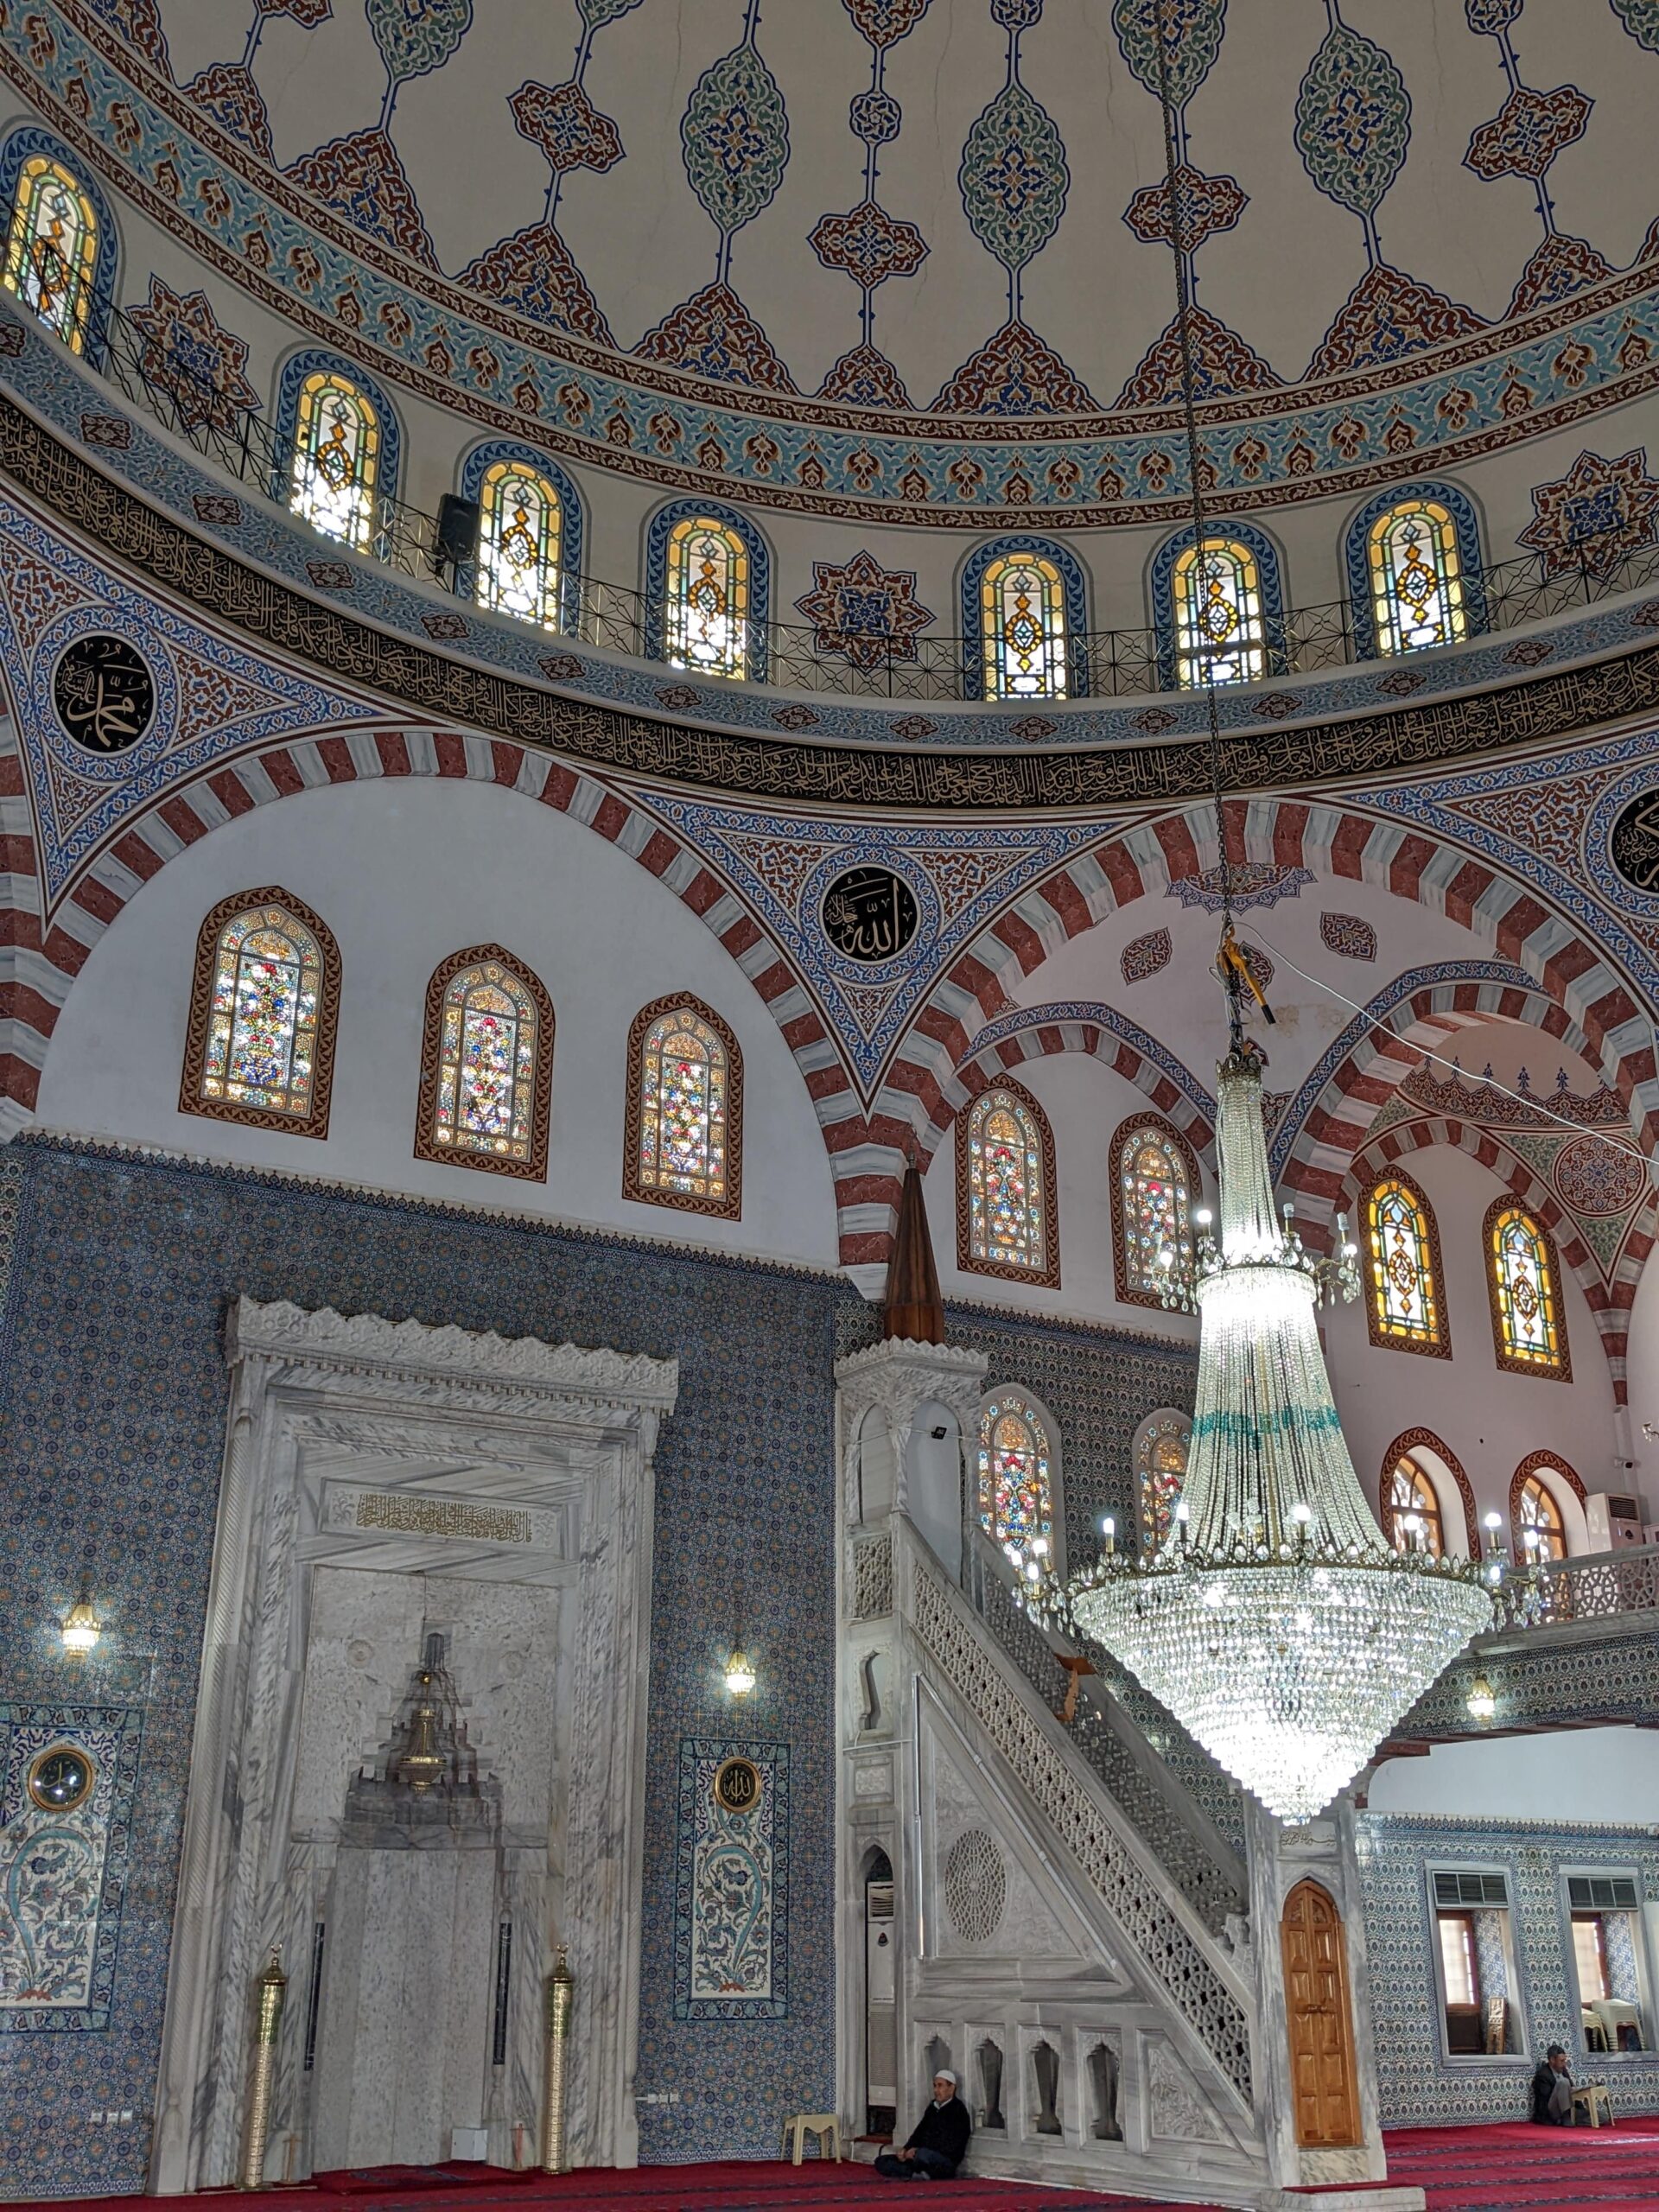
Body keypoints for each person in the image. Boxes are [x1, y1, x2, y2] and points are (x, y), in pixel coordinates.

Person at [874, 2070, 972, 2180]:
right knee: (881, 2161)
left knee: (923, 2155)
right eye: (935, 2086)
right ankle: (916, 2175)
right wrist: (906, 2149)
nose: (936, 2090)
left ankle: (916, 2173)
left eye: (940, 2086)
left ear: (951, 2088)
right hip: (921, 2156)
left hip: (943, 2161)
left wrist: (916, 2151)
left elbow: (950, 2146)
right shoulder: (932, 2108)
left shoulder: (958, 2111)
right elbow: (919, 2132)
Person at [1530, 2044, 1573, 2125]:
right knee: (1564, 2082)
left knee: (1600, 2116)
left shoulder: (1563, 2071)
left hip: (1568, 2109)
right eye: (1561, 2061)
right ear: (1552, 2060)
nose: (1564, 2064)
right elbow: (1546, 2099)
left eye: (1564, 2061)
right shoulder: (1543, 2075)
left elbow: (1571, 2089)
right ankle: (1565, 2118)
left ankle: (1566, 2118)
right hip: (1550, 2112)